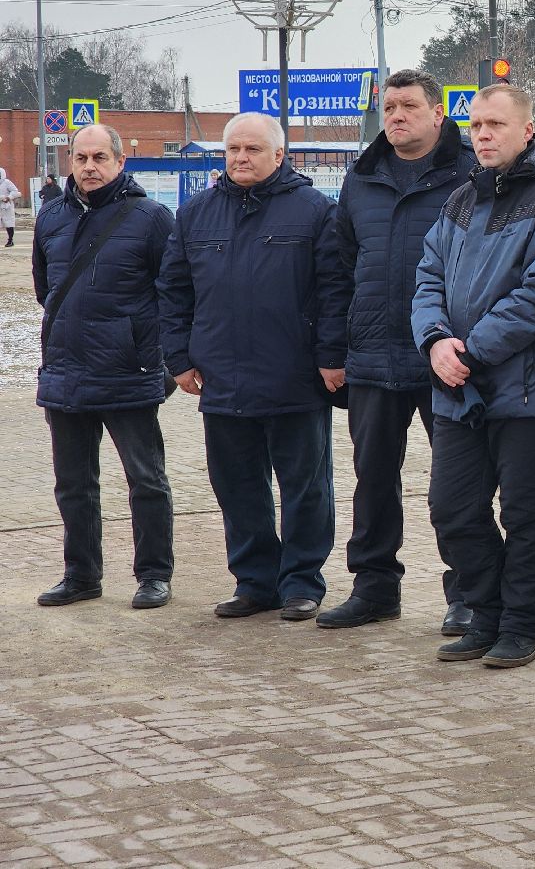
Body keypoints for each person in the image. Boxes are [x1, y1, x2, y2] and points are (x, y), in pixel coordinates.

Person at [412, 84, 535, 669]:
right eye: (477, 124)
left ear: (527, 130)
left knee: (525, 513)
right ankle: (482, 614)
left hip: (526, 389)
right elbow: (428, 277)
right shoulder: (460, 200)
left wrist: (473, 351)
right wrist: (436, 342)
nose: (483, 135)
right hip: (457, 388)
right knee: (453, 509)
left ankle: (521, 625)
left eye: (496, 125)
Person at [158, 112, 348, 621]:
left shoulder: (314, 212)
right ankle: (255, 581)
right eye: (233, 150)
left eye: (252, 150)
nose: (240, 158)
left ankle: (302, 582)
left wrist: (332, 357)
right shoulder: (195, 214)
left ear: (279, 155)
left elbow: (334, 291)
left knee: (306, 488)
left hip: (295, 378)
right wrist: (177, 358)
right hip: (220, 380)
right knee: (238, 487)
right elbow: (173, 292)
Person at [318, 69, 478, 634]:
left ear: (438, 113)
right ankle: (374, 587)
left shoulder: (470, 174)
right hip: (372, 355)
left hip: (446, 358)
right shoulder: (361, 179)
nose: (397, 116)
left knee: (459, 485)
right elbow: (339, 271)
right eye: (389, 107)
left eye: (409, 105)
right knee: (373, 479)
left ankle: (470, 594)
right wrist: (334, 350)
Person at [32, 124, 175, 610]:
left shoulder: (152, 218)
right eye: (80, 158)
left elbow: (171, 292)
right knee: (73, 483)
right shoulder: (50, 218)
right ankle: (81, 575)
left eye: (99, 158)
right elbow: (45, 289)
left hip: (127, 370)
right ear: (69, 161)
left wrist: (150, 349)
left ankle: (154, 574)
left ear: (120, 162)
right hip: (65, 371)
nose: (89, 167)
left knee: (146, 480)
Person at [0, 166, 19, 246]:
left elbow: (15, 191)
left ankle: (10, 240)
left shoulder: (6, 182)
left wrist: (9, 197)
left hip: (6, 206)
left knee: (9, 223)